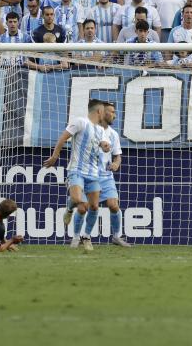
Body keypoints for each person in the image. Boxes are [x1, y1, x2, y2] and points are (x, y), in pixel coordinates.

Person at [43, 99, 111, 252]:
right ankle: (69, 208)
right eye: (104, 111)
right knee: (78, 201)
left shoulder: (101, 130)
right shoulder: (80, 122)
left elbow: (105, 145)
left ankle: (86, 236)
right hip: (77, 170)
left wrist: (106, 146)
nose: (105, 115)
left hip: (93, 174)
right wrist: (55, 156)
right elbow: (63, 138)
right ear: (98, 111)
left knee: (93, 206)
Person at [85, 101, 131, 247]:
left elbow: (117, 155)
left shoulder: (113, 134)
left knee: (113, 205)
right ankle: (83, 236)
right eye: (111, 112)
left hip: (106, 176)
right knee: (88, 207)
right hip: (90, 174)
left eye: (114, 112)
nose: (114, 115)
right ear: (101, 112)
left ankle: (117, 237)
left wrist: (116, 163)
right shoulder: (90, 129)